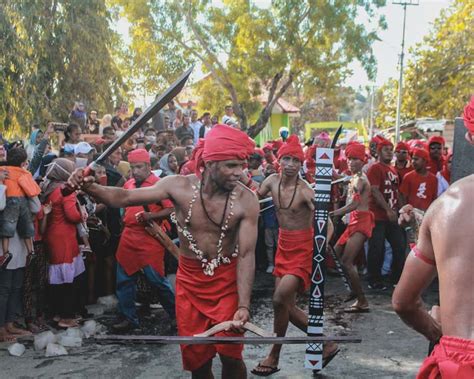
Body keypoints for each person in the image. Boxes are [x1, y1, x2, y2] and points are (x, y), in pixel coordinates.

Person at [68, 124, 258, 378]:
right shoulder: (178, 186)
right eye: (231, 166)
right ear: (210, 163)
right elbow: (123, 198)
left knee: (231, 355)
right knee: (198, 362)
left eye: (241, 165)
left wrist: (244, 305)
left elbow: (246, 255)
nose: (239, 173)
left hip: (226, 284)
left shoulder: (247, 200)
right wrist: (89, 187)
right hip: (190, 285)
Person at [392, 97, 474, 379]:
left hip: (459, 362)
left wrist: (438, 331)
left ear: (468, 136)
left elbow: (403, 302)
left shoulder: (444, 208)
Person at [253, 135, 338, 376]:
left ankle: (279, 352)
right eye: (286, 159)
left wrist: (319, 250)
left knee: (280, 300)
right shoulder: (270, 181)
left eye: (295, 160)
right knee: (285, 307)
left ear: (301, 165)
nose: (290, 164)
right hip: (283, 247)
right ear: (279, 160)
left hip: (303, 250)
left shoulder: (305, 191)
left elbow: (327, 224)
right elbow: (254, 197)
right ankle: (285, 353)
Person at [111, 149, 176, 330]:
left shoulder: (158, 184)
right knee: (124, 280)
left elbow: (171, 210)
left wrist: (150, 216)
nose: (135, 171)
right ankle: (128, 318)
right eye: (132, 167)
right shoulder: (129, 184)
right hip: (129, 236)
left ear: (148, 166)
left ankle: (177, 315)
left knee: (157, 281)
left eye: (139, 167)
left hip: (150, 237)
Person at [41, 158, 85, 328]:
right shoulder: (65, 190)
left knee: (57, 278)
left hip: (52, 235)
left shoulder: (48, 187)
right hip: (64, 237)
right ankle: (67, 317)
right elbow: (72, 216)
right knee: (67, 279)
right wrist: (82, 212)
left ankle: (57, 314)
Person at [330, 142, 374, 312]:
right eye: (349, 158)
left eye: (356, 159)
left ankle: (362, 300)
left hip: (361, 220)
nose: (351, 162)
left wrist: (333, 214)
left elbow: (353, 205)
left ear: (363, 161)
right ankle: (354, 290)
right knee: (336, 250)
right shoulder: (353, 178)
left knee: (347, 262)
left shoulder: (361, 180)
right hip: (353, 220)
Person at [366, 137, 406, 290]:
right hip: (378, 215)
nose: (389, 152)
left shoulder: (393, 170)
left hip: (392, 216)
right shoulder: (375, 168)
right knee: (377, 247)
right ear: (379, 152)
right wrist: (388, 210)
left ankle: (396, 278)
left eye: (391, 150)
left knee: (399, 246)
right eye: (386, 149)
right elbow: (374, 191)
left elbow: (397, 193)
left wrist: (400, 211)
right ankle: (373, 280)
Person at [0, 148, 40, 264]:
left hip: (10, 200)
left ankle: (6, 253)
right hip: (22, 200)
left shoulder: (3, 171)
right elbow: (37, 207)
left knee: (7, 228)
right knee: (27, 227)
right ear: (23, 163)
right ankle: (31, 252)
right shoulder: (25, 173)